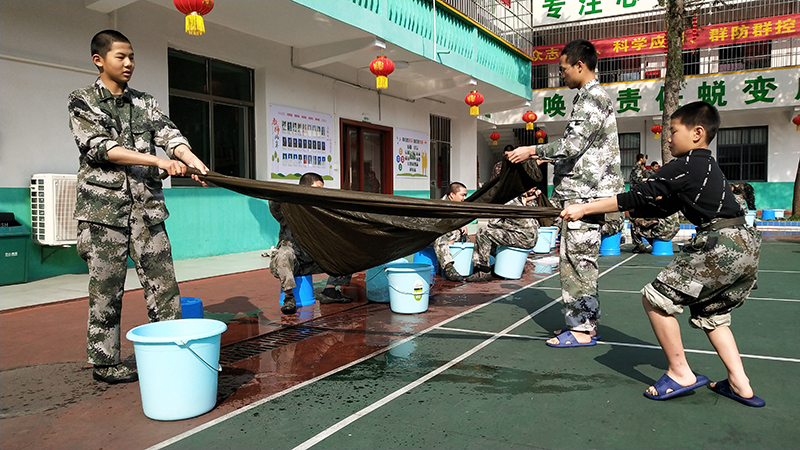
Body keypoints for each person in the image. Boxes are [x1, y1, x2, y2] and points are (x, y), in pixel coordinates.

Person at [561, 101, 764, 407]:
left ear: (697, 133)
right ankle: (740, 382)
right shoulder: (707, 166)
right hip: (745, 243)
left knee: (655, 298)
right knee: (712, 312)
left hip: (720, 242)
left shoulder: (687, 164)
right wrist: (611, 212)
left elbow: (637, 194)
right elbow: (660, 204)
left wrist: (584, 207)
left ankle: (680, 372)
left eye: (673, 131)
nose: (667, 138)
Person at [69, 30, 209, 384]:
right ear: (99, 60)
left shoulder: (145, 103)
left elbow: (170, 136)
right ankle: (105, 363)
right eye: (121, 57)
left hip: (147, 212)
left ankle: (172, 351)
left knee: (164, 286)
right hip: (103, 214)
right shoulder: (82, 101)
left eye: (132, 56)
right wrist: (159, 163)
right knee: (106, 290)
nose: (129, 63)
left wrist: (191, 161)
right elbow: (101, 148)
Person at [506, 39, 624, 347]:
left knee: (577, 262)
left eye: (563, 69)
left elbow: (572, 145)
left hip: (586, 196)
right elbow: (580, 148)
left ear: (579, 66)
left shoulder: (590, 99)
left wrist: (532, 150)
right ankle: (583, 324)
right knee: (579, 261)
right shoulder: (593, 97)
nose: (561, 76)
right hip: (589, 194)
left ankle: (581, 329)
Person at [269, 173, 354, 314]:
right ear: (304, 188)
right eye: (317, 188)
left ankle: (330, 291)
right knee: (283, 254)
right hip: (293, 260)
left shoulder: (319, 208)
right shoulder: (288, 208)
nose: (320, 192)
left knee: (347, 250)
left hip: (314, 259)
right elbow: (274, 203)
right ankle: (289, 297)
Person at [465, 188, 541, 282]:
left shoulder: (506, 202)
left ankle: (483, 270)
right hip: (530, 238)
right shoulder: (516, 200)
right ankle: (496, 263)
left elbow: (492, 223)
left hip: (523, 238)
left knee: (483, 232)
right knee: (494, 235)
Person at [433, 182, 469, 281]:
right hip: (433, 236)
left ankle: (468, 264)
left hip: (448, 233)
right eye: (462, 195)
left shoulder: (458, 205)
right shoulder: (440, 206)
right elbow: (438, 227)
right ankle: (449, 269)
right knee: (440, 238)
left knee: (464, 235)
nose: (464, 198)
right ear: (452, 195)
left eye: (465, 195)